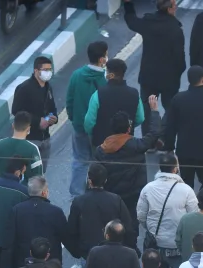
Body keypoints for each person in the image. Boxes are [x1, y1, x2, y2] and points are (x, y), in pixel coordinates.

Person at [94, 105, 163, 225]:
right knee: (131, 226)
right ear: (128, 128)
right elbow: (154, 133)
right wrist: (154, 111)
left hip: (112, 195)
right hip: (133, 195)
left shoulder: (101, 150)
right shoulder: (136, 145)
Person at [123, 0, 186, 126]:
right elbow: (180, 58)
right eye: (174, 5)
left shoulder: (148, 23)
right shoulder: (176, 30)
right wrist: (177, 74)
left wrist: (128, 4)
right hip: (169, 79)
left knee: (147, 112)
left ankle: (148, 139)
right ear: (169, 9)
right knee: (170, 110)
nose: (176, 7)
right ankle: (166, 139)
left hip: (149, 77)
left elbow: (132, 21)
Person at [163, 66, 203, 190]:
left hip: (184, 151)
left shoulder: (178, 99)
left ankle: (189, 206)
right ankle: (202, 205)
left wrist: (169, 148)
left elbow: (170, 126)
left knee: (186, 184)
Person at [137, 153, 200, 268]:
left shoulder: (148, 189)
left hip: (155, 243)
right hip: (177, 246)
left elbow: (141, 216)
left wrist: (151, 228)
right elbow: (194, 217)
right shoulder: (186, 190)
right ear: (176, 168)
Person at [65, 40, 108, 198]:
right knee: (99, 161)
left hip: (79, 128)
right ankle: (98, 191)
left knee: (79, 161)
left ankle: (76, 195)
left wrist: (74, 118)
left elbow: (69, 101)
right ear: (102, 59)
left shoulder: (76, 75)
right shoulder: (104, 80)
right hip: (98, 131)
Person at [69, 164, 136, 261]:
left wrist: (77, 252)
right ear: (105, 180)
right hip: (114, 252)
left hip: (89, 253)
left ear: (89, 181)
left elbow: (72, 230)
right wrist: (131, 248)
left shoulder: (79, 202)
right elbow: (128, 227)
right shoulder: (115, 200)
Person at [9, 176, 69, 268]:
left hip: (23, 266)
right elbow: (66, 237)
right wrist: (78, 252)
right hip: (50, 267)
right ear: (44, 192)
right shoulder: (56, 212)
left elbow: (10, 240)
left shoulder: (17, 210)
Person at [83, 58, 144, 149]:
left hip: (102, 144)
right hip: (126, 143)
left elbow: (89, 122)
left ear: (110, 74)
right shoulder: (134, 94)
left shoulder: (98, 94)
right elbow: (140, 118)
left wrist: (96, 133)